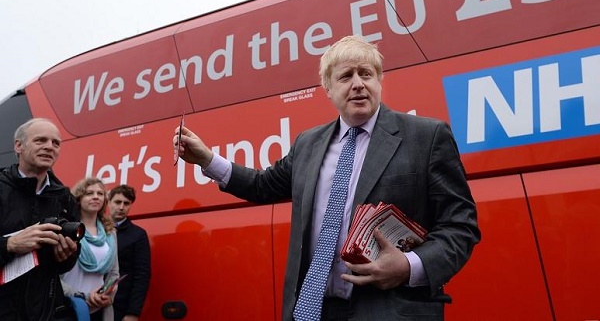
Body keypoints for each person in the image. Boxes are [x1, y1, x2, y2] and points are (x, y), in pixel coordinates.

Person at [174, 35, 481, 320]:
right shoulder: (308, 143)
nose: (358, 84)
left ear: (379, 81)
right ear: (328, 89)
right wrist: (207, 159)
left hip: (390, 309)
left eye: (366, 74)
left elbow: (460, 225)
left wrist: (409, 266)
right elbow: (262, 185)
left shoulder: (426, 137)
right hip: (313, 310)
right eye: (346, 76)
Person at [0, 118, 80, 321]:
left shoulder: (65, 198)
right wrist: (10, 244)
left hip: (44, 312)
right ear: (18, 146)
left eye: (56, 143)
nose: (49, 147)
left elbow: (64, 265)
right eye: (40, 140)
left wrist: (67, 255)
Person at [61, 178, 119, 321]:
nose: (95, 197)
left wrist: (107, 296)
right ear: (79, 198)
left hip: (99, 308)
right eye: (89, 193)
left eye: (100, 193)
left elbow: (114, 273)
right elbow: (53, 275)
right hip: (69, 305)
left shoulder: (110, 232)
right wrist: (82, 296)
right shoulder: (67, 228)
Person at [108, 184, 151, 321]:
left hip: (120, 306)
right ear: (109, 202)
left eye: (126, 203)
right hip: (92, 302)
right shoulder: (97, 229)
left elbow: (142, 275)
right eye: (117, 202)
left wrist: (133, 312)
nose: (121, 207)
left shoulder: (137, 235)